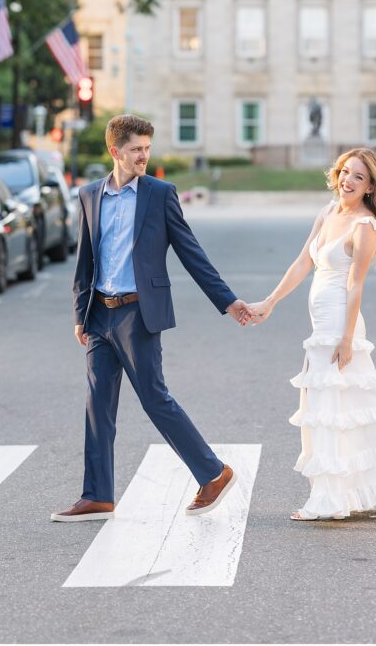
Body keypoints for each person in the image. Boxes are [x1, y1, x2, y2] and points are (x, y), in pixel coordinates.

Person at [51, 114, 251, 523]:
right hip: (99, 315)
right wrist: (79, 313)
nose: (143, 156)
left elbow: (190, 251)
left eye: (146, 149)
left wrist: (227, 301)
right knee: (97, 406)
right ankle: (98, 495)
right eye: (135, 150)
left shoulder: (160, 194)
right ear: (115, 151)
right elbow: (84, 260)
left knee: (155, 399)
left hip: (139, 313)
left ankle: (213, 473)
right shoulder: (91, 195)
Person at [246, 148, 376, 521]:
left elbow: (355, 285)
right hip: (322, 322)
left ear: (369, 187)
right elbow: (304, 262)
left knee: (331, 408)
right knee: (352, 409)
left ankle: (331, 498)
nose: (348, 180)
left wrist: (347, 338)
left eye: (358, 177)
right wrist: (271, 301)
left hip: (339, 324)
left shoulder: (364, 226)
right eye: (346, 172)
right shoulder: (329, 211)